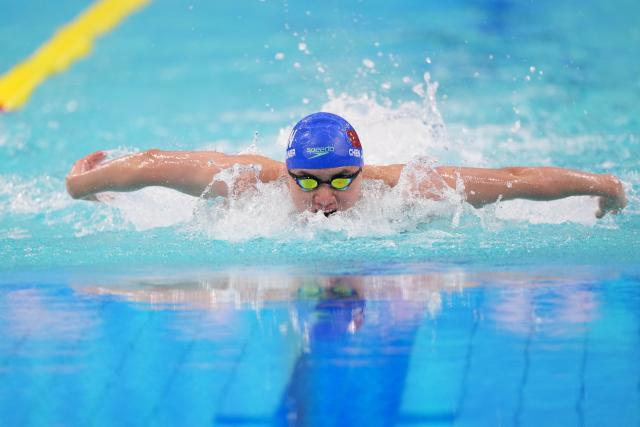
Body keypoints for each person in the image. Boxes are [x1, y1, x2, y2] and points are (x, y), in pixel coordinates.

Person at [66, 112, 626, 218]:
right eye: (305, 181)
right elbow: (151, 165)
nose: (324, 200)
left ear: (363, 172)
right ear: (285, 172)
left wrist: (605, 185)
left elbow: (514, 182)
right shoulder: (243, 181)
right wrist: (81, 185)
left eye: (340, 183)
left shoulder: (409, 189)